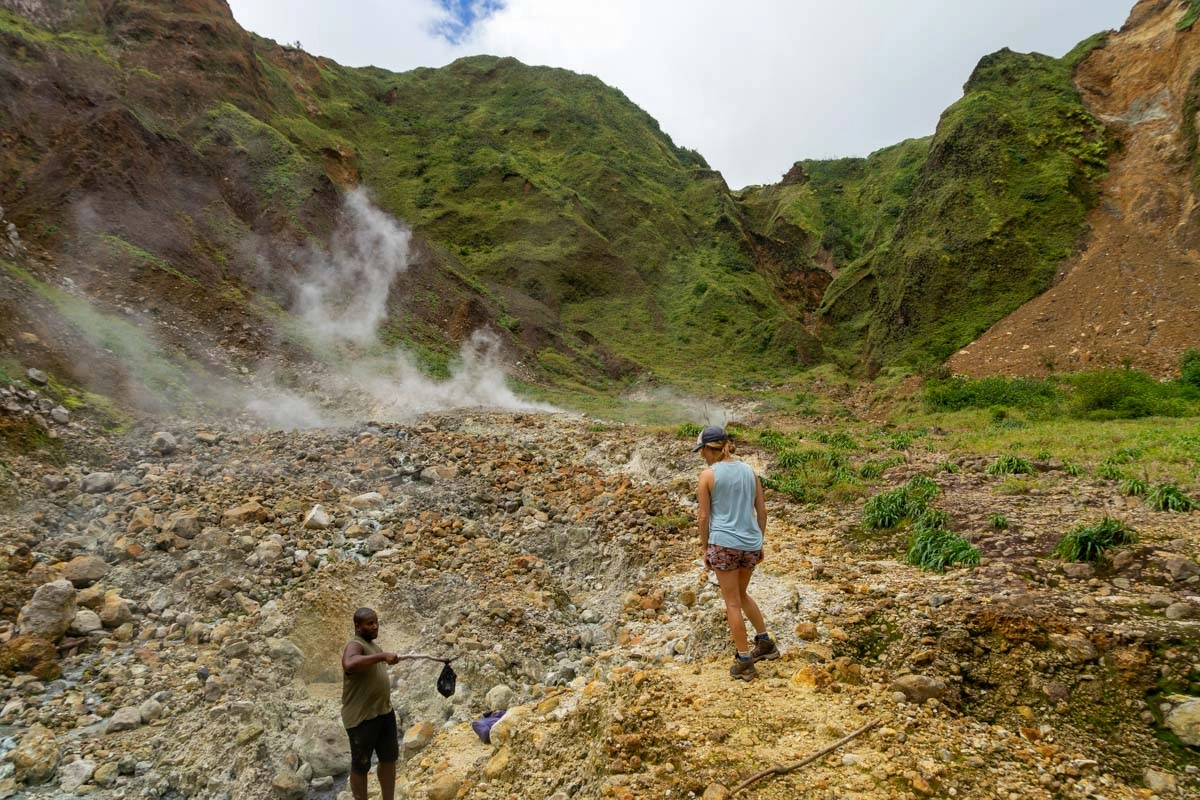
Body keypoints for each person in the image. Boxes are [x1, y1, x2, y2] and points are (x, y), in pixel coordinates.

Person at [693, 425, 780, 681]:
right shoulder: (750, 472)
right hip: (750, 543)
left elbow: (703, 516)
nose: (702, 456)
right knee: (741, 594)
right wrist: (759, 542)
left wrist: (705, 547)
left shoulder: (708, 476)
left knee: (731, 602)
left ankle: (745, 661)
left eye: (703, 451)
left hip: (724, 544)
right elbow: (762, 511)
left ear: (712, 449)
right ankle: (765, 643)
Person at [342, 607, 401, 800]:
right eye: (370, 623)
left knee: (389, 758)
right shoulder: (355, 644)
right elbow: (349, 664)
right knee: (361, 764)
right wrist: (382, 656)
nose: (375, 626)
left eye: (376, 622)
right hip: (362, 717)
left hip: (383, 712)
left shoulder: (373, 646)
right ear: (357, 626)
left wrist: (381, 655)